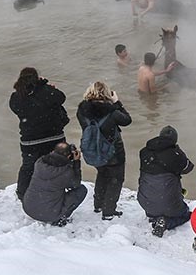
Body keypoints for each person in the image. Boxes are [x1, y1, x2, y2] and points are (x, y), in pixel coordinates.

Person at [9, 68, 70, 200]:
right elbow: (61, 97)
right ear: (37, 78)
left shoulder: (16, 97)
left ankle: (22, 193)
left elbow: (17, 108)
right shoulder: (46, 91)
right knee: (58, 165)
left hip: (30, 141)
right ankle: (58, 192)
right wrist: (44, 85)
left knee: (28, 167)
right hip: (54, 138)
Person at [77, 81, 132, 220]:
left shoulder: (82, 111)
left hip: (93, 151)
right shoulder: (112, 112)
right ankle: (108, 211)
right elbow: (127, 120)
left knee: (102, 174)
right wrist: (117, 103)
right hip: (113, 152)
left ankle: (98, 204)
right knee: (116, 179)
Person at [138, 125, 195, 237]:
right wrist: (178, 150)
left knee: (157, 197)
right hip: (169, 203)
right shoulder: (175, 154)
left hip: (145, 202)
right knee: (185, 214)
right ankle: (166, 222)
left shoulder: (144, 152)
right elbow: (188, 168)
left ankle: (155, 217)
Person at [22, 142, 87, 227]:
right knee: (81, 190)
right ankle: (60, 219)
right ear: (68, 156)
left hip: (29, 208)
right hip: (48, 214)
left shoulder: (39, 163)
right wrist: (76, 162)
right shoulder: (66, 172)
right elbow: (76, 184)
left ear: (53, 151)